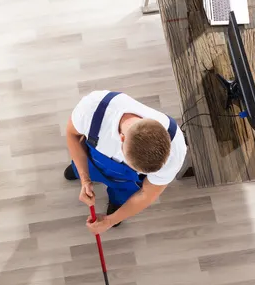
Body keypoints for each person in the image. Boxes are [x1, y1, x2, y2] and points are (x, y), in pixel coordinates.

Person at [65, 90, 187, 235]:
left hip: (126, 183)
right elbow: (72, 135)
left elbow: (146, 194)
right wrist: (85, 179)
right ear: (121, 138)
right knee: (80, 169)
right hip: (93, 161)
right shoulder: (92, 110)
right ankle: (82, 172)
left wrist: (110, 220)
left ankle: (116, 203)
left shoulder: (176, 151)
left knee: (122, 198)